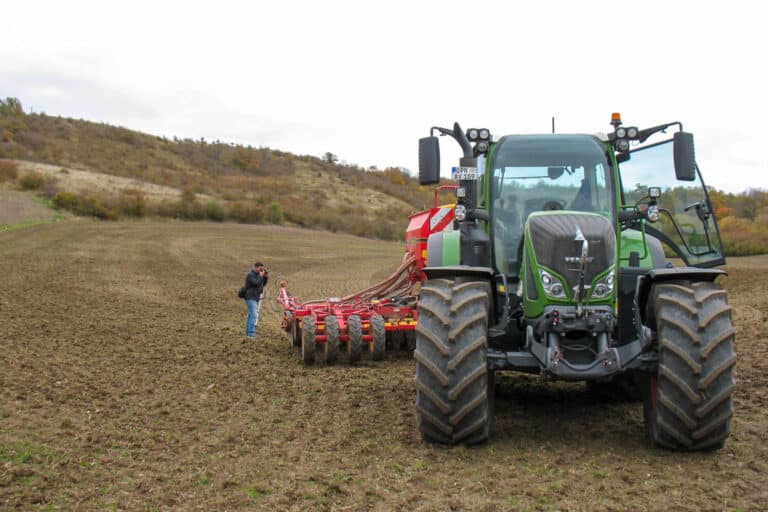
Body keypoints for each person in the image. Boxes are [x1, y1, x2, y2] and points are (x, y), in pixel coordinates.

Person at [244, 261, 268, 338]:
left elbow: (262, 284)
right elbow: (255, 283)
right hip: (250, 297)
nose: (261, 270)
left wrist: (265, 277)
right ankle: (251, 334)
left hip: (255, 297)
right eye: (260, 269)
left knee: (250, 315)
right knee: (254, 315)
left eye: (262, 269)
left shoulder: (258, 275)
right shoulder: (250, 275)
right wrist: (260, 276)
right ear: (256, 267)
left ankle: (248, 334)